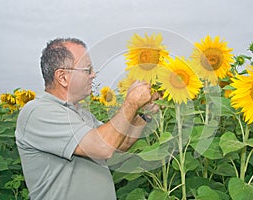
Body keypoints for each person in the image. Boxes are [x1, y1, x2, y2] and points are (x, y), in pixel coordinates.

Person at [15, 38, 159, 200]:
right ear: (62, 77)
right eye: (87, 70)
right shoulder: (38, 112)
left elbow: (121, 143)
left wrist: (144, 115)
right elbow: (103, 147)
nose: (93, 75)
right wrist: (131, 102)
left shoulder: (81, 114)